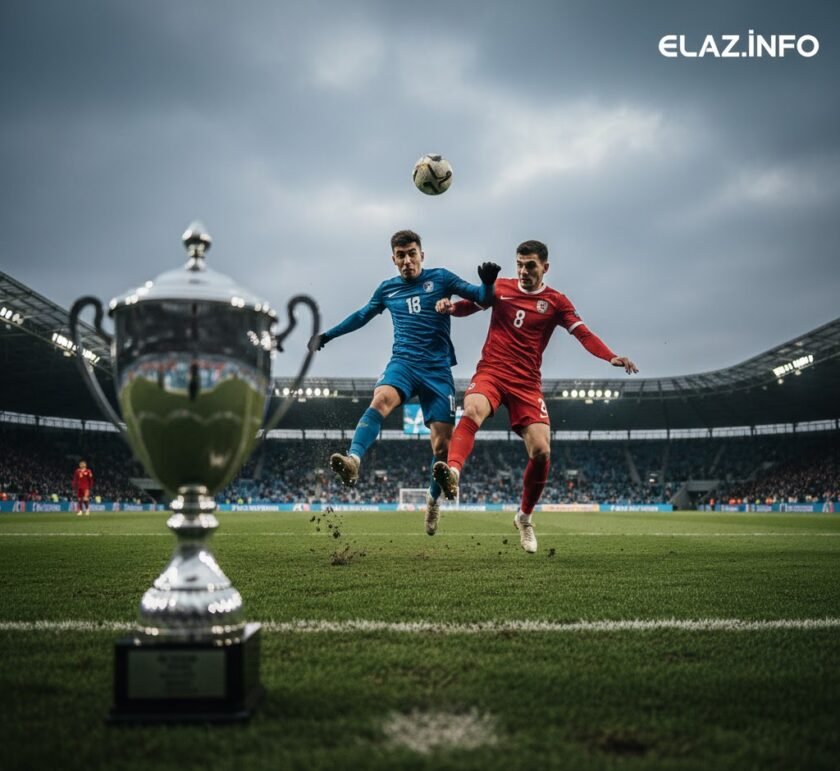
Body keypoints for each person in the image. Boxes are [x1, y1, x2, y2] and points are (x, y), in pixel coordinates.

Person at [433, 239, 638, 553]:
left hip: (527, 384)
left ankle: (524, 518)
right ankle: (453, 473)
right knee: (472, 409)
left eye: (530, 265)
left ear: (545, 267)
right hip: (492, 372)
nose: (523, 271)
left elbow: (583, 333)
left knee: (542, 451)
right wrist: (450, 307)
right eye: (519, 264)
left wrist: (610, 356)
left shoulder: (556, 301)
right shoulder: (500, 288)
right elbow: (470, 306)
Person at [308, 229, 500, 535]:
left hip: (437, 371)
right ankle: (354, 459)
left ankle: (432, 502)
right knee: (381, 399)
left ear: (422, 254)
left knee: (442, 447)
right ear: (393, 259)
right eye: (401, 255)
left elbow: (482, 299)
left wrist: (487, 283)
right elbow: (361, 315)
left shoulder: (441, 278)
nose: (407, 260)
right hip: (404, 364)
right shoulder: (388, 289)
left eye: (412, 253)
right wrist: (327, 335)